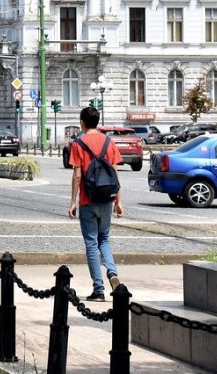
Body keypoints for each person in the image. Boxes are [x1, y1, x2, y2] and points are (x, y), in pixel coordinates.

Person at [67, 105, 124, 302]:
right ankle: (112, 273)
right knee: (104, 239)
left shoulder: (78, 144)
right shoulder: (108, 141)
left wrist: (73, 202)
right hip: (107, 199)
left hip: (87, 200)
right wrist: (118, 201)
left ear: (82, 123)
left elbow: (77, 175)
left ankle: (98, 289)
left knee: (91, 243)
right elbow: (115, 173)